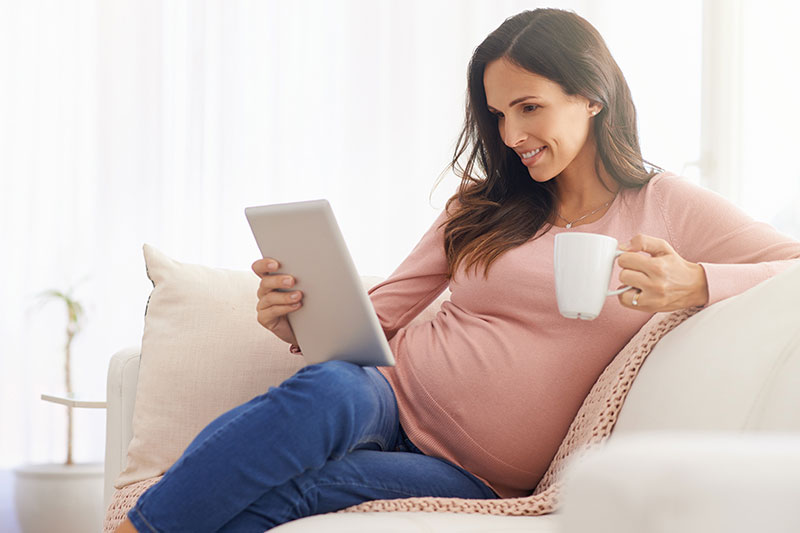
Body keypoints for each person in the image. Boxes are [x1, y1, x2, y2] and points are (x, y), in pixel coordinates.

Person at [115, 8, 800, 532]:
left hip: (473, 470)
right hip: (386, 391)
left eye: (529, 107)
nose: (511, 137)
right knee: (328, 387)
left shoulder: (666, 204)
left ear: (593, 96)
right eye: (499, 114)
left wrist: (700, 282)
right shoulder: (484, 203)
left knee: (297, 495)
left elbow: (791, 262)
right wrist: (296, 316)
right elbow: (383, 311)